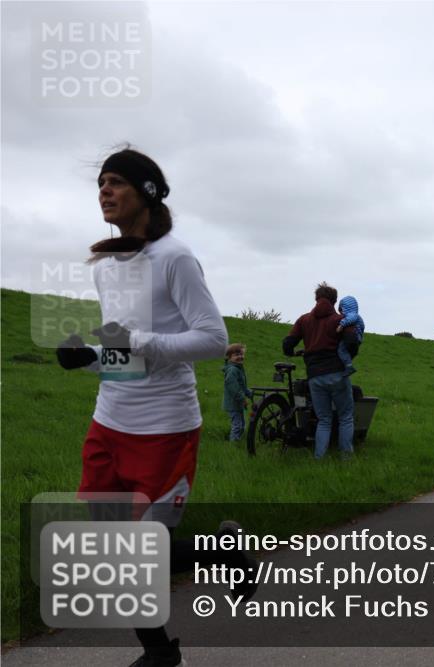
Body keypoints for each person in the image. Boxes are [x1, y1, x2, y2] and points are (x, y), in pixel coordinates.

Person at [54, 147, 256, 667]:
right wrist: (91, 358)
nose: (104, 191)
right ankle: (161, 652)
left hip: (164, 427)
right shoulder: (106, 266)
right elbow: (127, 352)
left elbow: (213, 340)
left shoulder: (175, 258)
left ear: (146, 193)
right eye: (100, 183)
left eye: (115, 182)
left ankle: (221, 555)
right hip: (109, 422)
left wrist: (140, 341)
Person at [283, 282, 360, 460]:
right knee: (345, 417)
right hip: (337, 374)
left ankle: (319, 457)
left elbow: (287, 344)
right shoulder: (340, 320)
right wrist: (348, 358)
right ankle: (346, 458)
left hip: (314, 377)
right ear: (334, 301)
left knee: (323, 419)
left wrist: (293, 352)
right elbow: (351, 342)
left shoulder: (304, 320)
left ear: (316, 299)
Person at [222, 343, 253, 439]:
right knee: (237, 426)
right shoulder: (232, 370)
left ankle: (237, 440)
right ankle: (233, 444)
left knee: (242, 424)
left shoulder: (238, 368)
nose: (240, 357)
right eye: (236, 355)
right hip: (233, 403)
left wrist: (249, 393)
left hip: (238, 403)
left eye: (241, 354)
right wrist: (242, 398)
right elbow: (234, 388)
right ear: (229, 357)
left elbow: (241, 386)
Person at [336, 295, 365, 376]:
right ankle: (347, 365)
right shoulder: (356, 316)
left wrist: (341, 325)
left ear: (345, 308)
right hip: (357, 337)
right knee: (346, 352)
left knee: (341, 350)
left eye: (341, 310)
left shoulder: (353, 315)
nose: (341, 313)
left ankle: (349, 367)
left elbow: (350, 319)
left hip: (353, 337)